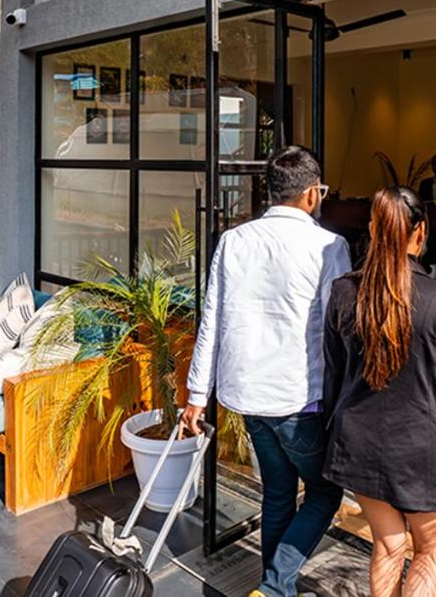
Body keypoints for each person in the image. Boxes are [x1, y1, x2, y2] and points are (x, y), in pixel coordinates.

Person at [182, 145, 353, 597]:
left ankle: (271, 589)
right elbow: (339, 329)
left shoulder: (233, 241)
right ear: (312, 194)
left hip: (247, 396)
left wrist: (197, 395)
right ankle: (276, 588)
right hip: (299, 398)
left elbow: (211, 320)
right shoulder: (329, 247)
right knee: (324, 493)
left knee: (278, 493)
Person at [321, 187, 436, 597]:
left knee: (388, 545)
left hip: (359, 444)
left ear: (372, 230)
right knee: (430, 551)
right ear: (421, 232)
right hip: (422, 452)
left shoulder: (344, 292)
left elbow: (333, 377)